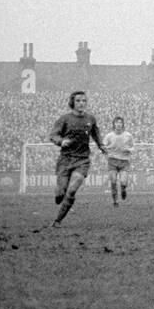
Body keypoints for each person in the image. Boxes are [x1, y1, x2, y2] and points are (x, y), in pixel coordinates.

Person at [48, 91, 108, 227]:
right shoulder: (64, 119)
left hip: (82, 160)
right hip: (65, 159)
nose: (82, 103)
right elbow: (53, 135)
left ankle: (58, 220)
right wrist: (61, 141)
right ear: (72, 103)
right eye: (78, 101)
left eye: (84, 101)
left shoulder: (90, 119)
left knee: (72, 190)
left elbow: (96, 134)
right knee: (60, 193)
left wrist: (101, 145)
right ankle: (59, 194)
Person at [102, 116, 135, 206]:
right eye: (117, 122)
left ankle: (123, 189)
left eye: (120, 123)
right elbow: (103, 147)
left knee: (123, 182)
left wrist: (129, 150)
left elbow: (132, 147)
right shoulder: (109, 136)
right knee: (113, 182)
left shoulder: (128, 135)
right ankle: (115, 201)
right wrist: (106, 149)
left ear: (123, 124)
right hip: (112, 161)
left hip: (124, 161)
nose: (118, 124)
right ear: (114, 124)